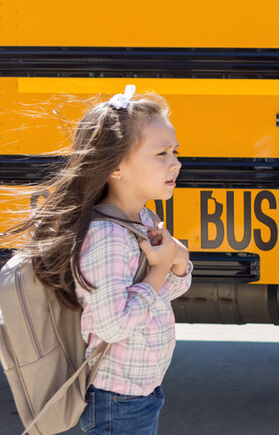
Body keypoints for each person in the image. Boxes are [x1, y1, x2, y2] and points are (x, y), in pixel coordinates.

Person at [6, 85, 191, 434]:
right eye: (161, 153)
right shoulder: (107, 237)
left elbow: (172, 289)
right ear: (117, 167)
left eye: (175, 151)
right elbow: (112, 326)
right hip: (116, 401)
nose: (176, 163)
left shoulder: (145, 220)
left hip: (141, 393)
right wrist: (161, 267)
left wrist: (177, 259)